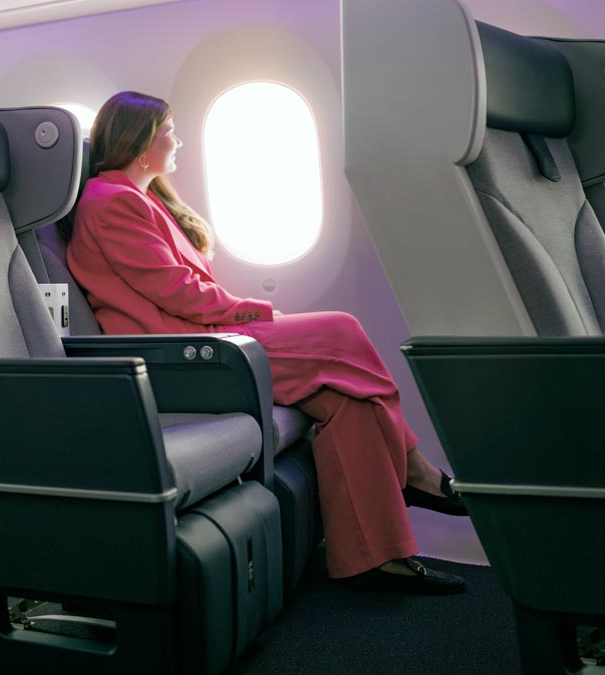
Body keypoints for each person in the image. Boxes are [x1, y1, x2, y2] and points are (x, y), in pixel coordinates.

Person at [67, 91, 470, 594]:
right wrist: (254, 310)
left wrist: (246, 311)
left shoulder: (144, 200)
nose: (180, 140)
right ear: (141, 139)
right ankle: (412, 468)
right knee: (342, 327)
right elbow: (174, 291)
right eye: (170, 130)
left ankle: (377, 557)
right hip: (183, 353)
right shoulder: (112, 201)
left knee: (350, 400)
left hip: (202, 337)